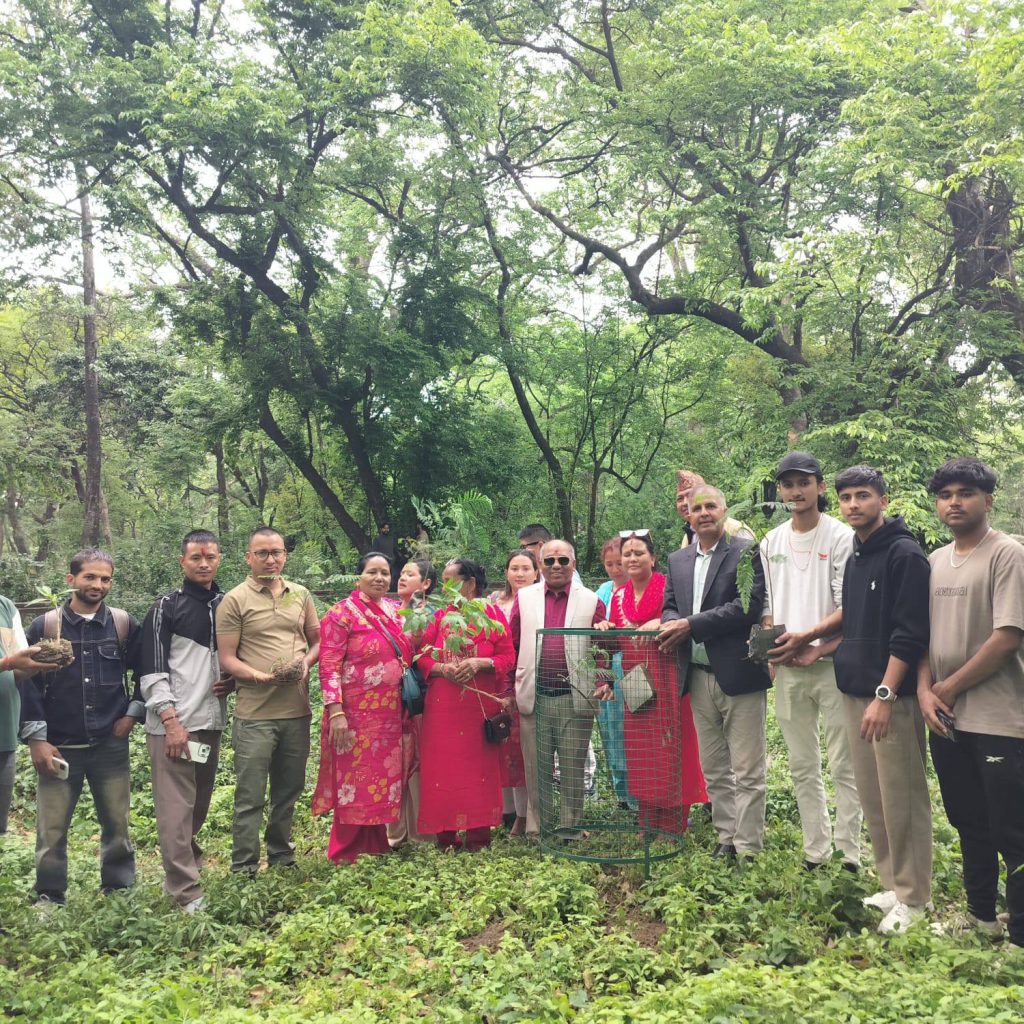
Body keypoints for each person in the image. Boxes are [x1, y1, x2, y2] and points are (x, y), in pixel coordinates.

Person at [775, 466, 932, 934]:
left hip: (889, 697)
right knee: (875, 796)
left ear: (883, 499)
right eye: (846, 498)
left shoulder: (905, 555)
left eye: (863, 495)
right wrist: (818, 643)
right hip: (854, 691)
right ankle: (892, 884)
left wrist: (886, 693)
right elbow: (853, 620)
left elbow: (910, 633)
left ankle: (915, 898)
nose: (853, 505)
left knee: (903, 796)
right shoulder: (860, 554)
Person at [919, 458, 1024, 945]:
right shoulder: (936, 560)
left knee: (1012, 829)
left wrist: (950, 685)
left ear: (988, 499)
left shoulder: (1007, 554)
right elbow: (919, 636)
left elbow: (1007, 637)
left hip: (1001, 719)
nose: (954, 502)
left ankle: (1021, 935)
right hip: (946, 718)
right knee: (967, 820)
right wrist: (925, 690)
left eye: (965, 493)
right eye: (945, 495)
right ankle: (983, 918)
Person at [20, 549, 144, 908]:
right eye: (90, 577)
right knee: (52, 829)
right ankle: (50, 896)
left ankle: (119, 891)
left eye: (105, 578)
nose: (98, 584)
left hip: (110, 744)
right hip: (59, 745)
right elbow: (26, 683)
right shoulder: (44, 627)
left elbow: (146, 671)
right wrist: (37, 738)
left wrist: (132, 714)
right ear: (71, 580)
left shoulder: (123, 624)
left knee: (117, 825)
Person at [658, 487, 771, 860]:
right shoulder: (677, 560)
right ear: (687, 516)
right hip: (696, 674)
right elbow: (670, 606)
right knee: (714, 765)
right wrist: (674, 623)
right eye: (696, 508)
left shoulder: (744, 551)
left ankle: (749, 845)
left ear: (724, 511)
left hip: (738, 671)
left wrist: (690, 625)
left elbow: (748, 606)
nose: (704, 513)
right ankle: (727, 836)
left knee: (747, 766)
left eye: (711, 506)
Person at [762, 452, 861, 871]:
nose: (795, 491)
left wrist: (812, 640)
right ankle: (815, 851)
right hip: (788, 667)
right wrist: (775, 644)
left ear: (820, 487)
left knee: (845, 763)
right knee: (802, 764)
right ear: (781, 491)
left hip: (833, 664)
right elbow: (767, 604)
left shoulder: (841, 536)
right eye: (788, 484)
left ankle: (850, 853)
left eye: (804, 482)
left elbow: (850, 605)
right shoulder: (771, 542)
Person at [216, 526, 320, 875]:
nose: (270, 559)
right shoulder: (234, 600)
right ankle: (244, 865)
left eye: (276, 552)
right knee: (250, 794)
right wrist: (261, 677)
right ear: (249, 557)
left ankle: (282, 856)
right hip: (255, 714)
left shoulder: (301, 595)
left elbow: (317, 641)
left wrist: (305, 664)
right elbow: (227, 658)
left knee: (288, 791)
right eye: (262, 553)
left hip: (296, 711)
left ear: (285, 555)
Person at [139, 530, 230, 913]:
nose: (203, 563)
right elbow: (152, 669)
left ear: (220, 559)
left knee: (197, 803)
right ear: (183, 562)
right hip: (174, 727)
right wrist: (170, 719)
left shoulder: (227, 604)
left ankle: (182, 868)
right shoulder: (165, 607)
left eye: (210, 556)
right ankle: (185, 890)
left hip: (209, 724)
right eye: (196, 557)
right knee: (176, 807)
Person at [597, 531, 707, 833]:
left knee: (671, 746)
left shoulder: (669, 587)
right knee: (640, 747)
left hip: (669, 675)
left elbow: (685, 619)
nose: (632, 559)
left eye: (638, 553)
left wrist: (662, 622)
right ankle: (648, 820)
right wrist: (606, 628)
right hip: (634, 680)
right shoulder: (618, 596)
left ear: (653, 558)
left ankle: (674, 823)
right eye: (627, 554)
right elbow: (615, 644)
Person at [312, 552, 411, 862]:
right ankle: (344, 851)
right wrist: (335, 711)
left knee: (382, 780)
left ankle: (376, 845)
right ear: (359, 577)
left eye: (385, 572)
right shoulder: (341, 613)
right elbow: (328, 664)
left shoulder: (396, 612)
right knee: (353, 781)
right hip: (353, 715)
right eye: (373, 572)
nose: (380, 578)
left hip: (390, 714)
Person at [416, 559, 516, 851]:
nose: (444, 588)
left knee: (478, 767)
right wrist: (441, 669)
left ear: (470, 584)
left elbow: (508, 658)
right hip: (443, 707)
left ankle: (478, 836)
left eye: (451, 582)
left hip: (478, 706)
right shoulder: (439, 617)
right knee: (442, 768)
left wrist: (480, 662)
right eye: (442, 582)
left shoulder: (492, 615)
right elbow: (422, 658)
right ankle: (445, 836)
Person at [510, 539, 606, 838]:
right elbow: (512, 642)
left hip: (574, 695)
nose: (555, 566)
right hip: (534, 695)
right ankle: (538, 827)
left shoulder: (591, 599)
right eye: (549, 561)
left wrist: (603, 680)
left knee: (573, 764)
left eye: (563, 560)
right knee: (535, 768)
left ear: (573, 564)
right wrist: (508, 686)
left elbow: (602, 647)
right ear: (540, 565)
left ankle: (569, 826)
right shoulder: (524, 598)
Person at [385, 558, 438, 848]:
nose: (401, 577)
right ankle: (395, 832)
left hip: (418, 695)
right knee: (394, 761)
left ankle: (422, 833)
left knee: (417, 761)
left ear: (426, 583)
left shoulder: (430, 614)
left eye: (410, 574)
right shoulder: (389, 611)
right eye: (401, 572)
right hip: (388, 697)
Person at [488, 549, 540, 835]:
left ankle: (524, 815)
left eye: (525, 568)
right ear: (506, 572)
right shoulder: (494, 602)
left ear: (536, 572)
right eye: (514, 568)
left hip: (525, 679)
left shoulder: (539, 602)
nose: (519, 574)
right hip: (495, 681)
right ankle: (504, 810)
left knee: (522, 752)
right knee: (499, 744)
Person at [0, 596, 47, 835]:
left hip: (5, 733)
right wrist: (7, 663)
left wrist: (37, 665)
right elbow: (8, 663)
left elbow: (17, 669)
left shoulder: (6, 607)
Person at [594, 538, 633, 809]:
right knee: (610, 729)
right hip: (606, 664)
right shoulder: (603, 590)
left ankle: (638, 794)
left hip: (630, 663)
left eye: (619, 562)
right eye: (609, 564)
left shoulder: (638, 588)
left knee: (632, 728)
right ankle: (621, 791)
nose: (615, 569)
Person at [675, 470, 753, 548]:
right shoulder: (688, 536)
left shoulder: (736, 530)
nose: (685, 503)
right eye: (680, 498)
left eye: (689, 495)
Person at [371, 522, 400, 590]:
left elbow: (396, 550)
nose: (386, 530)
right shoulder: (377, 539)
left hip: (391, 563)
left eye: (387, 528)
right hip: (381, 563)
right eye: (384, 528)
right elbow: (374, 552)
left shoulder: (391, 539)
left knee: (391, 578)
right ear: (381, 529)